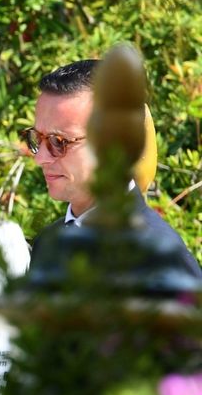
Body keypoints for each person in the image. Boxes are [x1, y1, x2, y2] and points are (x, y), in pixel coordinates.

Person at [25, 60, 200, 276]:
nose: (40, 158)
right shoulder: (48, 243)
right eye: (37, 138)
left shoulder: (156, 259)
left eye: (58, 141)